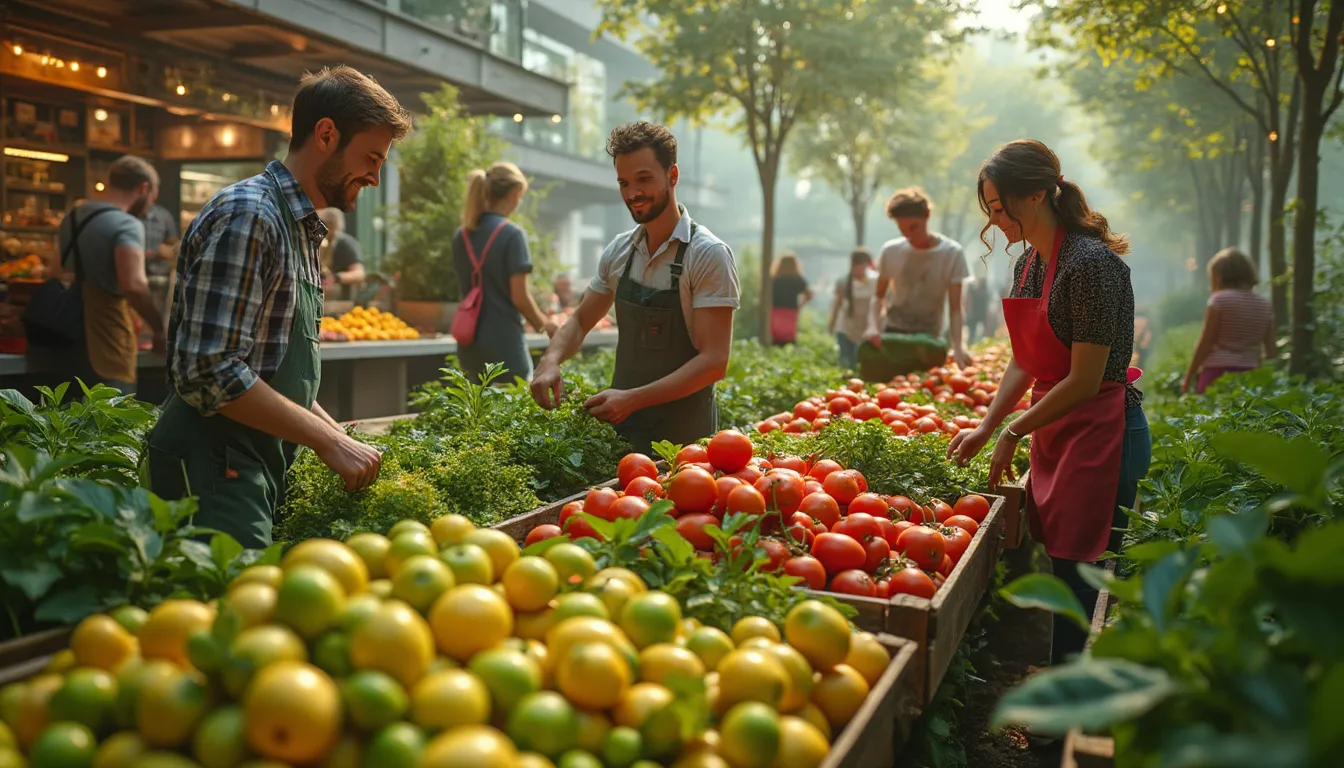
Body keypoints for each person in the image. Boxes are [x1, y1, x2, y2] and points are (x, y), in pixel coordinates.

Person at [144, 65, 411, 549]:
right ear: (326, 134)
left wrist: (339, 436)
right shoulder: (251, 214)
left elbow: (268, 370)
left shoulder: (300, 229)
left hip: (246, 460)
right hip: (211, 462)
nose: (374, 176)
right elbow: (210, 370)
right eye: (371, 157)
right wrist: (329, 442)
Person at [948, 139, 1151, 669]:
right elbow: (1025, 359)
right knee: (1064, 565)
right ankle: (1066, 686)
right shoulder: (1029, 265)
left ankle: (1070, 703)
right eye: (988, 209)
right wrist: (988, 425)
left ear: (1036, 194)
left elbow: (1085, 380)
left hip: (1103, 430)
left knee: (1084, 576)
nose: (993, 221)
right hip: (1060, 428)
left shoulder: (1091, 265)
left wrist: (1013, 431)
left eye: (999, 207)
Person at [529, 121, 739, 454]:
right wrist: (550, 361)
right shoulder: (619, 251)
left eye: (644, 179)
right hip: (621, 435)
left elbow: (714, 361)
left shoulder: (708, 254)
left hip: (685, 442)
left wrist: (633, 399)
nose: (632, 193)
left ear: (673, 176)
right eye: (624, 183)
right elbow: (581, 321)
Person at [37, 155, 166, 395]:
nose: (149, 206)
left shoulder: (73, 216)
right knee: (110, 413)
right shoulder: (127, 225)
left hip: (64, 331)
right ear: (144, 188)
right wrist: (158, 328)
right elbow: (134, 286)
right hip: (106, 335)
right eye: (151, 199)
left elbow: (53, 271)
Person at [452, 161, 557, 384]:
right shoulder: (512, 234)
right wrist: (546, 325)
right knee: (514, 405)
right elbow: (520, 297)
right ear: (514, 193)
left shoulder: (461, 235)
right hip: (504, 343)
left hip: (469, 342)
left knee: (477, 409)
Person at [866, 188, 973, 368]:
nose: (909, 235)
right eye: (902, 230)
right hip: (893, 333)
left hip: (930, 335)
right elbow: (878, 297)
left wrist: (959, 345)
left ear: (927, 215)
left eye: (914, 227)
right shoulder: (890, 251)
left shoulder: (952, 253)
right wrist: (872, 327)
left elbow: (955, 308)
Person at [1182, 247, 1275, 394]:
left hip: (1216, 373)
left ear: (1218, 276)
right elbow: (1271, 349)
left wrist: (1189, 376)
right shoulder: (1264, 304)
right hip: (1251, 375)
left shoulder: (1219, 300)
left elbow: (1206, 342)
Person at [828, 248, 877, 369]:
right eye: (857, 266)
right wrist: (832, 323)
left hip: (866, 326)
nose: (859, 269)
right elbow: (837, 304)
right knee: (846, 361)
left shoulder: (874, 281)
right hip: (846, 326)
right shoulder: (844, 282)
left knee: (862, 360)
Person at [316, 207, 366, 300]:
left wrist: (336, 278)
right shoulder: (326, 244)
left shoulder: (345, 244)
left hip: (343, 300)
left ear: (331, 225)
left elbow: (359, 274)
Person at [768, 252, 812, 345]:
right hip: (791, 311)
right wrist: (800, 304)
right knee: (789, 338)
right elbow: (809, 295)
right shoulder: (798, 280)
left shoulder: (775, 280)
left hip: (776, 311)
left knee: (776, 338)